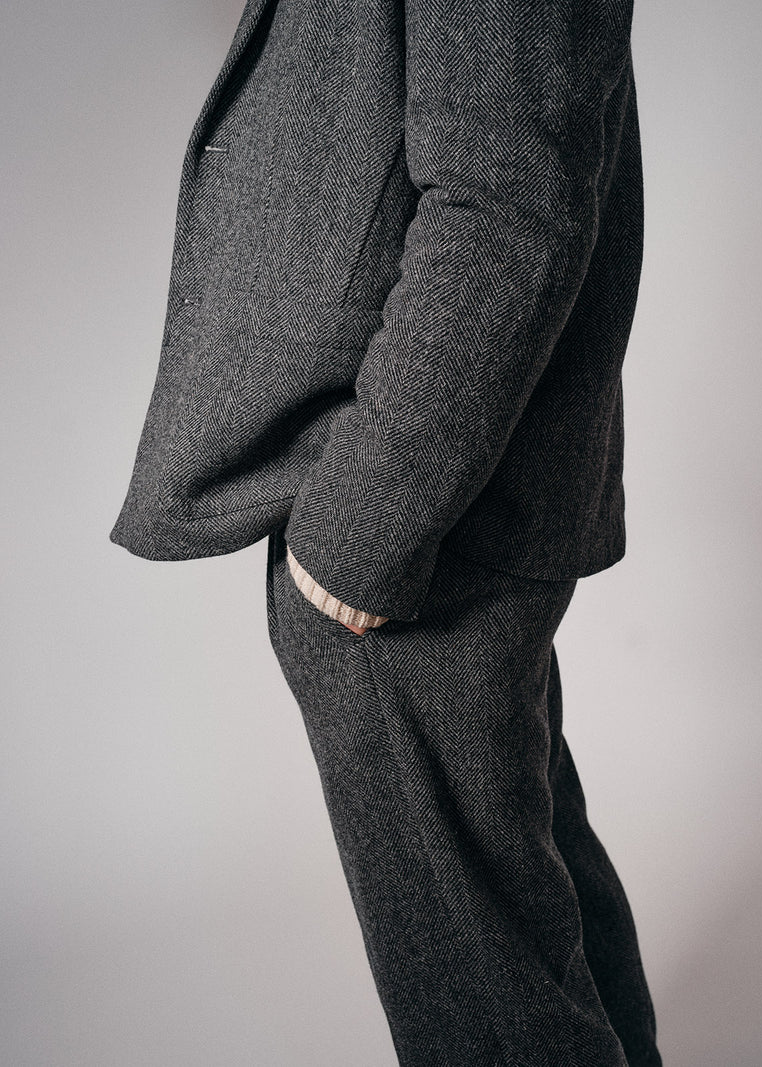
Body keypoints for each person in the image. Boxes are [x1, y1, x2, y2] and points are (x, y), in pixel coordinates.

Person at [110, 0, 662, 1062]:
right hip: (433, 486)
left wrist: (364, 524)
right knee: (525, 906)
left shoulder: (385, 523)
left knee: (490, 1003)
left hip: (420, 513)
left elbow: (508, 205)